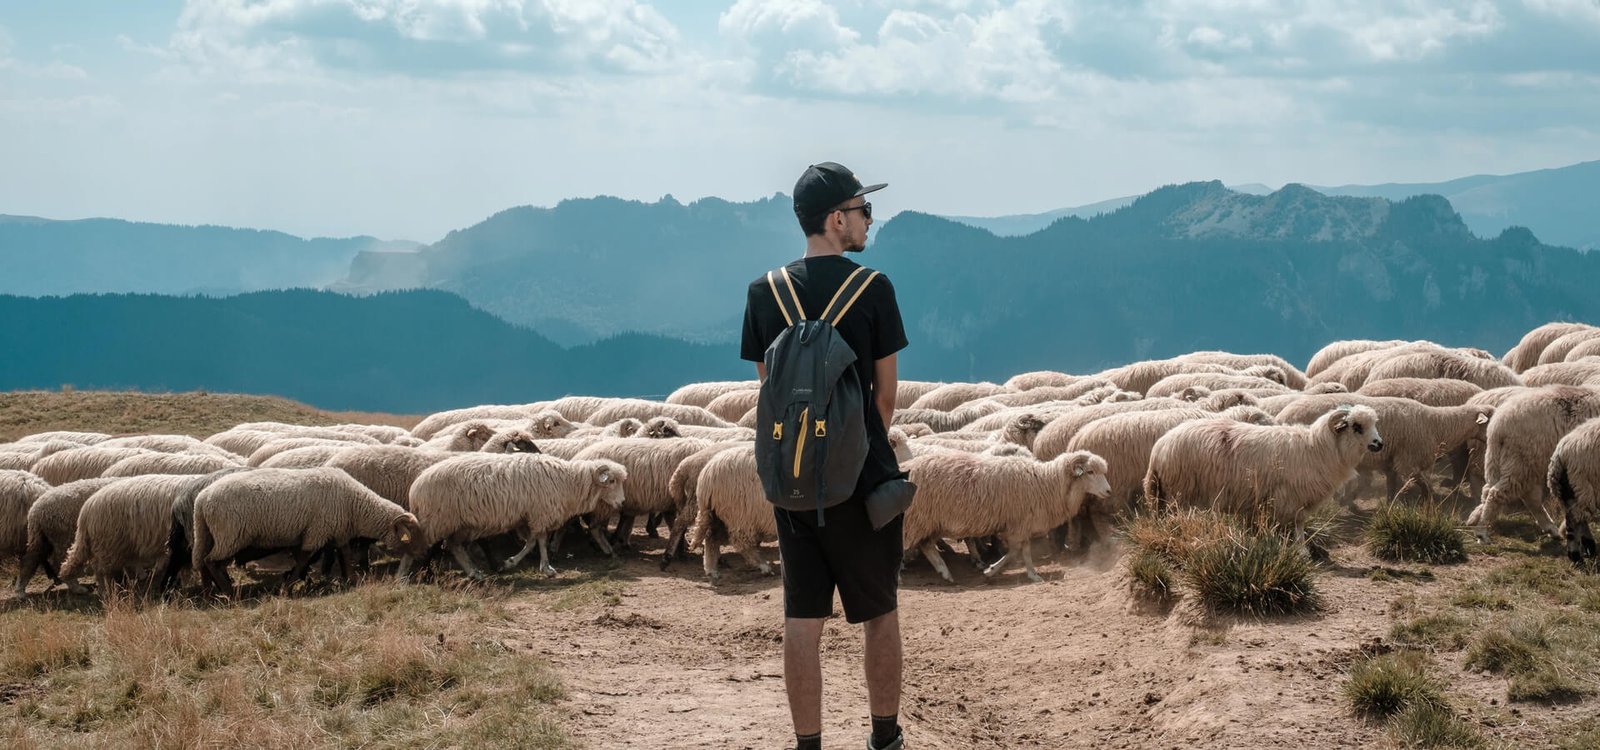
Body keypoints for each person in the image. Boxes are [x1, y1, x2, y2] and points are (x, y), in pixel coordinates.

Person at [740, 162, 909, 750]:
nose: (868, 220)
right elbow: (885, 398)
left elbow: (772, 388)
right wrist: (853, 449)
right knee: (879, 612)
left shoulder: (765, 292)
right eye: (863, 210)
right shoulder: (874, 288)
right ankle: (884, 738)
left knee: (801, 620)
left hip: (793, 485)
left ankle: (807, 743)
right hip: (862, 485)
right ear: (837, 220)